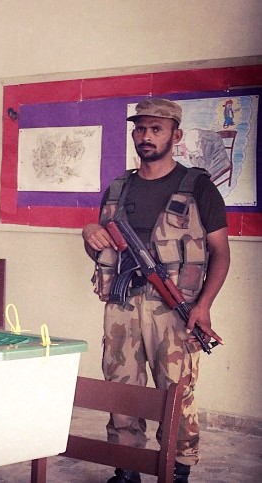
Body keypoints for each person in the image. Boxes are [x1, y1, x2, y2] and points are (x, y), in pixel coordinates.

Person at [82, 98, 231, 483]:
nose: (146, 136)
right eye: (140, 129)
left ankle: (178, 469)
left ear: (175, 136)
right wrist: (89, 235)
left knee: (176, 390)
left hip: (176, 306)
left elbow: (220, 253)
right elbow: (100, 248)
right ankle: (126, 467)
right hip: (122, 305)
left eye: (156, 129)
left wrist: (205, 306)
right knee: (121, 386)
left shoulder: (198, 187)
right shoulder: (118, 187)